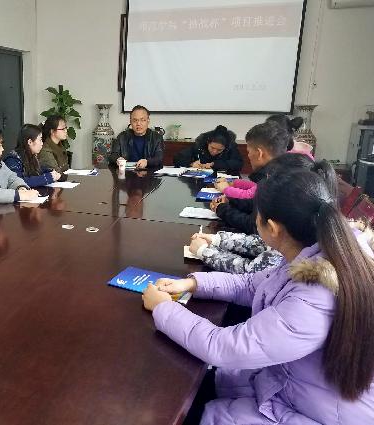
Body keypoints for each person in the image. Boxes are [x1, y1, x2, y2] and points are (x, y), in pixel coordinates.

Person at [143, 169, 374, 425]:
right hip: (295, 387)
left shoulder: (314, 297)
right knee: (209, 383)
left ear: (272, 228)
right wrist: (192, 283)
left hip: (318, 413)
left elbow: (223, 347)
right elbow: (251, 284)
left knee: (199, 410)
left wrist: (164, 309)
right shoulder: (321, 253)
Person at [191, 154, 338, 274]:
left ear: (272, 227)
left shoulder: (289, 253)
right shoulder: (301, 231)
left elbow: (249, 271)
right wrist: (217, 239)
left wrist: (204, 251)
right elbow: (261, 243)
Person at [211, 121, 295, 234]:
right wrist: (231, 201)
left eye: (249, 151)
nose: (248, 155)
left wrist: (221, 209)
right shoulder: (283, 171)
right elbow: (253, 202)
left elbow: (254, 226)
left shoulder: (273, 181)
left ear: (260, 153)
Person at [108, 105, 164, 169]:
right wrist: (118, 159)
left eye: (142, 120)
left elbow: (159, 157)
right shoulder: (122, 137)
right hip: (127, 172)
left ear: (148, 121)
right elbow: (113, 155)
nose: (138, 124)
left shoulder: (156, 137)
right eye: (135, 120)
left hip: (149, 171)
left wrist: (147, 162)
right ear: (130, 121)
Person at [174, 125, 243, 174]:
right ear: (208, 143)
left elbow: (238, 164)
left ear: (225, 147)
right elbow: (178, 158)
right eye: (212, 148)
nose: (214, 152)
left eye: (219, 150)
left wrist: (214, 164)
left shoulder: (230, 147)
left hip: (224, 180)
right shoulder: (200, 145)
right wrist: (191, 164)